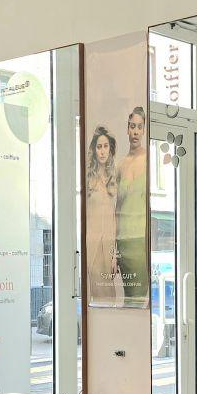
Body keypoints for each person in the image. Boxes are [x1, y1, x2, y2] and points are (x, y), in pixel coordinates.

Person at [85, 125, 123, 302]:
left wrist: (114, 255)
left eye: (105, 146)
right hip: (92, 246)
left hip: (108, 247)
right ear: (94, 150)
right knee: (95, 297)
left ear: (110, 149)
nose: (102, 151)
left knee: (110, 297)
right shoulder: (87, 179)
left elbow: (115, 219)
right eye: (99, 147)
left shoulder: (113, 178)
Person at [115, 106, 149, 303]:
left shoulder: (148, 160)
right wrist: (114, 250)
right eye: (132, 126)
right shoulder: (120, 165)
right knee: (128, 299)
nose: (135, 131)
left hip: (140, 241)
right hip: (122, 241)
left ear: (144, 130)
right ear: (127, 129)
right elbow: (116, 209)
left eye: (139, 127)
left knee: (138, 299)